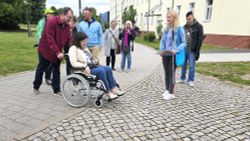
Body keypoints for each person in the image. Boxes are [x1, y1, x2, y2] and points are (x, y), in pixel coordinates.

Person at [68, 32, 124, 99]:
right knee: (101, 71)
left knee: (108, 68)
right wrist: (84, 66)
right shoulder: (73, 49)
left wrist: (96, 61)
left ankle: (113, 89)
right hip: (83, 70)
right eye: (83, 41)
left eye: (86, 41)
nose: (85, 43)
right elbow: (73, 63)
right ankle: (108, 92)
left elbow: (89, 58)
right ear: (78, 41)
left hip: (92, 66)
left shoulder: (84, 48)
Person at [33, 7, 73, 96]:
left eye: (71, 18)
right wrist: (57, 52)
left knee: (56, 70)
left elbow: (68, 39)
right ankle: (36, 86)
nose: (70, 19)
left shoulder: (67, 26)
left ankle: (56, 90)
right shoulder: (51, 22)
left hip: (57, 51)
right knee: (41, 68)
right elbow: (50, 39)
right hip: (45, 50)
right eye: (69, 17)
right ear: (62, 15)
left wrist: (73, 49)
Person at [159, 11, 186, 100]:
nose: (167, 19)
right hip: (165, 54)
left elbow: (184, 42)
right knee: (166, 73)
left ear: (174, 18)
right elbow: (162, 41)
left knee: (171, 74)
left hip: (173, 54)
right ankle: (167, 89)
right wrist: (161, 50)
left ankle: (171, 92)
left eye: (169, 17)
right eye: (167, 17)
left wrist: (177, 50)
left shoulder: (179, 29)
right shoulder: (165, 29)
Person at [179, 11, 204, 87]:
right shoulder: (185, 26)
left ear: (193, 17)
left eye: (189, 18)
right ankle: (182, 78)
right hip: (184, 48)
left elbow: (200, 39)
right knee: (183, 64)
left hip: (192, 49)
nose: (188, 20)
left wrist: (197, 50)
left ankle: (190, 80)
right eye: (187, 19)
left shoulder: (199, 26)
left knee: (191, 65)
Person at [35, 8, 54, 85]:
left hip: (50, 46)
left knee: (50, 64)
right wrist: (40, 44)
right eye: (49, 13)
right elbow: (39, 34)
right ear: (46, 14)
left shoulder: (52, 22)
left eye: (52, 13)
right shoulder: (42, 22)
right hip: (43, 46)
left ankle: (48, 78)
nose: (51, 15)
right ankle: (37, 83)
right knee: (42, 64)